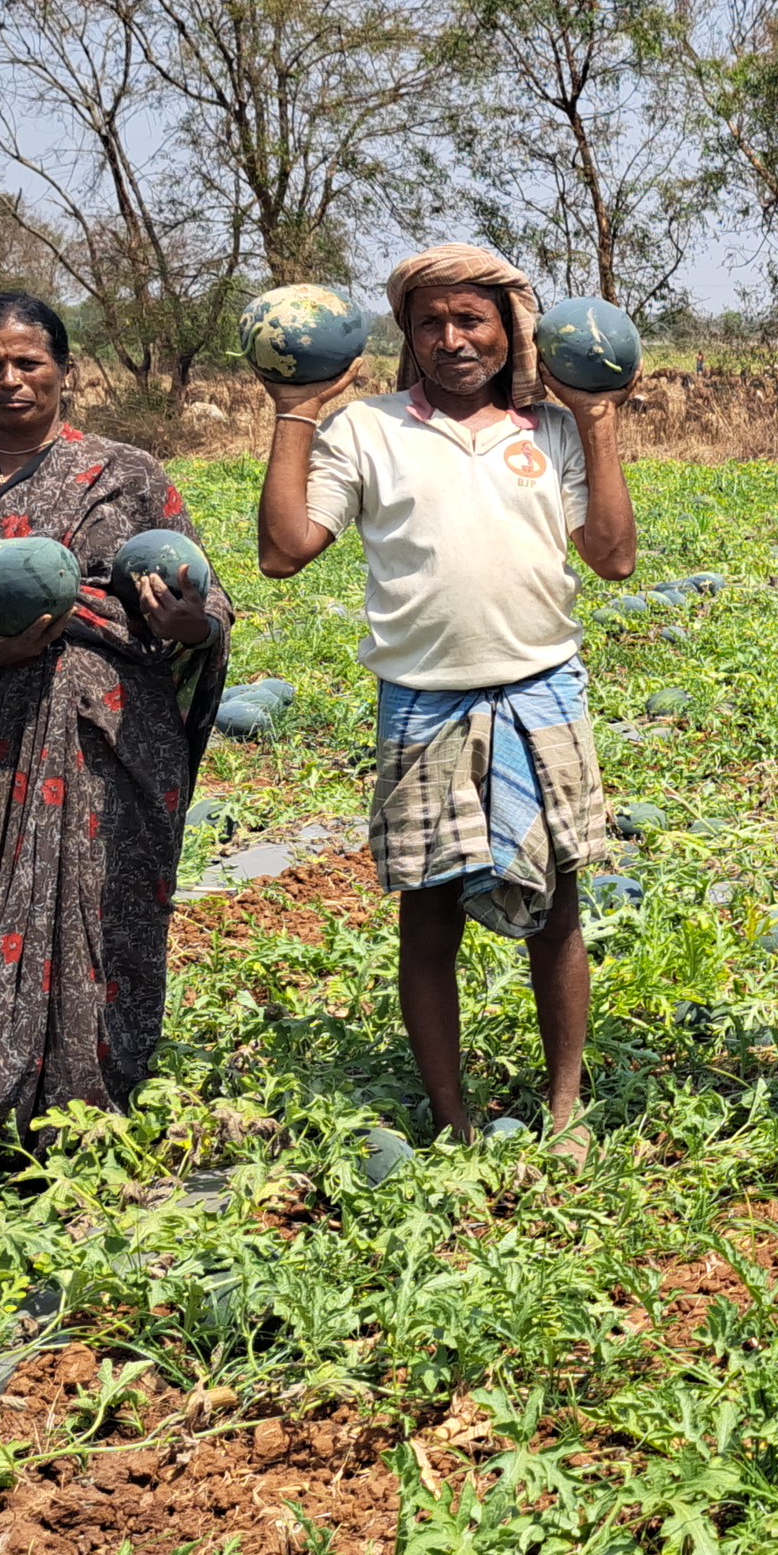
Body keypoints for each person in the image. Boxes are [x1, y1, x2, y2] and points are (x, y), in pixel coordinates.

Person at [256, 244, 636, 1141]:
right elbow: (283, 551)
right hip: (423, 702)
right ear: (407, 335)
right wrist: (294, 415)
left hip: (543, 693)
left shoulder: (549, 431)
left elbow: (615, 556)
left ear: (512, 332)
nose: (452, 338)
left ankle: (566, 1107)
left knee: (560, 910)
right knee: (428, 921)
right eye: (430, 322)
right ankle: (453, 1117)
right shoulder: (368, 430)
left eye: (472, 319)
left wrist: (599, 422)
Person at [0, 291, 231, 1171]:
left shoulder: (129, 472)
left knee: (114, 903)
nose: (11, 380)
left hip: (125, 729)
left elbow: (204, 598)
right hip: (7, 729)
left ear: (65, 370)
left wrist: (190, 625)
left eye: (29, 362)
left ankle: (97, 1095)